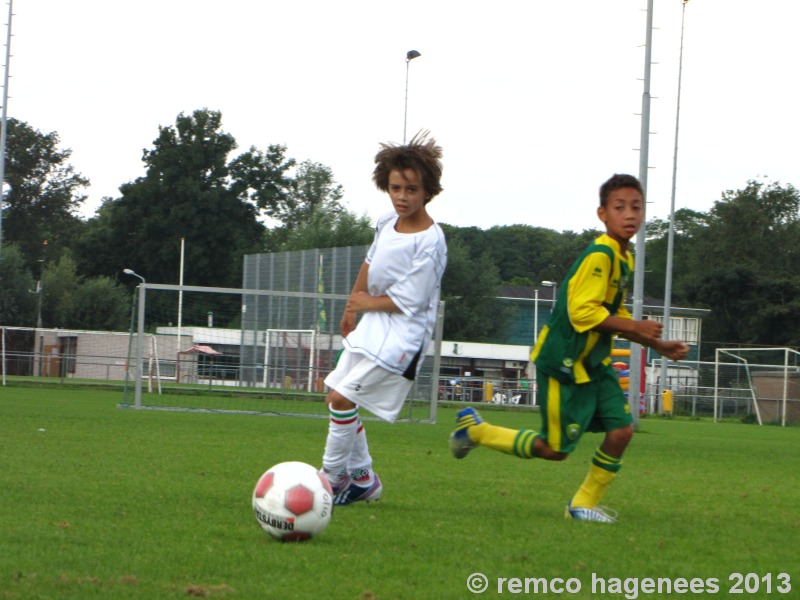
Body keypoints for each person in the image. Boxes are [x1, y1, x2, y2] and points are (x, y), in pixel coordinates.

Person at [449, 173, 689, 523]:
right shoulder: (600, 255)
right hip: (563, 363)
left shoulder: (623, 257)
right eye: (619, 207)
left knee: (621, 431)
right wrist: (636, 326)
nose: (629, 214)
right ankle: (475, 431)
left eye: (636, 207)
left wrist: (658, 344)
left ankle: (583, 504)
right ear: (602, 214)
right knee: (555, 450)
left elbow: (611, 312)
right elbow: (583, 312)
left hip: (593, 364)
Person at [321, 132, 447, 505]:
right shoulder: (385, 223)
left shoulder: (431, 241)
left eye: (411, 189)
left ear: (427, 191)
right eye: (395, 188)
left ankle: (328, 480)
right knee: (335, 398)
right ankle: (363, 480)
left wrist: (364, 304)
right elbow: (370, 264)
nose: (402, 196)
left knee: (343, 400)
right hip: (373, 325)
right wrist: (350, 308)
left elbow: (410, 300)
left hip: (403, 336)